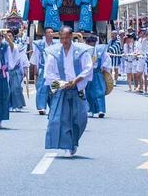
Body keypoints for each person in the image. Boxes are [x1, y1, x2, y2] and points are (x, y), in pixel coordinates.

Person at [44, 26, 94, 158]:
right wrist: (59, 84)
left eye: (67, 38)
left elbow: (88, 68)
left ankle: (74, 141)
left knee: (81, 118)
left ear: (71, 37)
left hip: (77, 88)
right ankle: (68, 146)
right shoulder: (54, 52)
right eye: (62, 38)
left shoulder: (81, 51)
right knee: (63, 118)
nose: (64, 41)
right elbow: (48, 73)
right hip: (62, 89)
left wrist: (76, 81)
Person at [30, 27, 57, 115]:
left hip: (53, 70)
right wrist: (35, 69)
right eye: (48, 32)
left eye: (52, 32)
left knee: (54, 88)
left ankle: (54, 106)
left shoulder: (56, 45)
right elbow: (35, 57)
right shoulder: (40, 45)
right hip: (43, 68)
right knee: (42, 88)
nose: (50, 34)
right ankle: (41, 107)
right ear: (44, 34)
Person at [85, 35, 111, 118]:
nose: (92, 46)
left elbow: (107, 59)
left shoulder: (100, 50)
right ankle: (90, 110)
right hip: (88, 73)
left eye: (93, 44)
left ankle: (101, 110)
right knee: (89, 92)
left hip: (97, 72)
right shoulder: (85, 51)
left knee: (100, 91)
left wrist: (104, 66)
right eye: (90, 44)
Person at [8, 30, 28, 112]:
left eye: (10, 36)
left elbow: (23, 58)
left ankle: (17, 105)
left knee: (16, 88)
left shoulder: (18, 47)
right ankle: (9, 105)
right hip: (6, 70)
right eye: (7, 36)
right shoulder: (3, 47)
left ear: (13, 37)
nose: (9, 38)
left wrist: (25, 68)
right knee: (8, 89)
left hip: (16, 69)